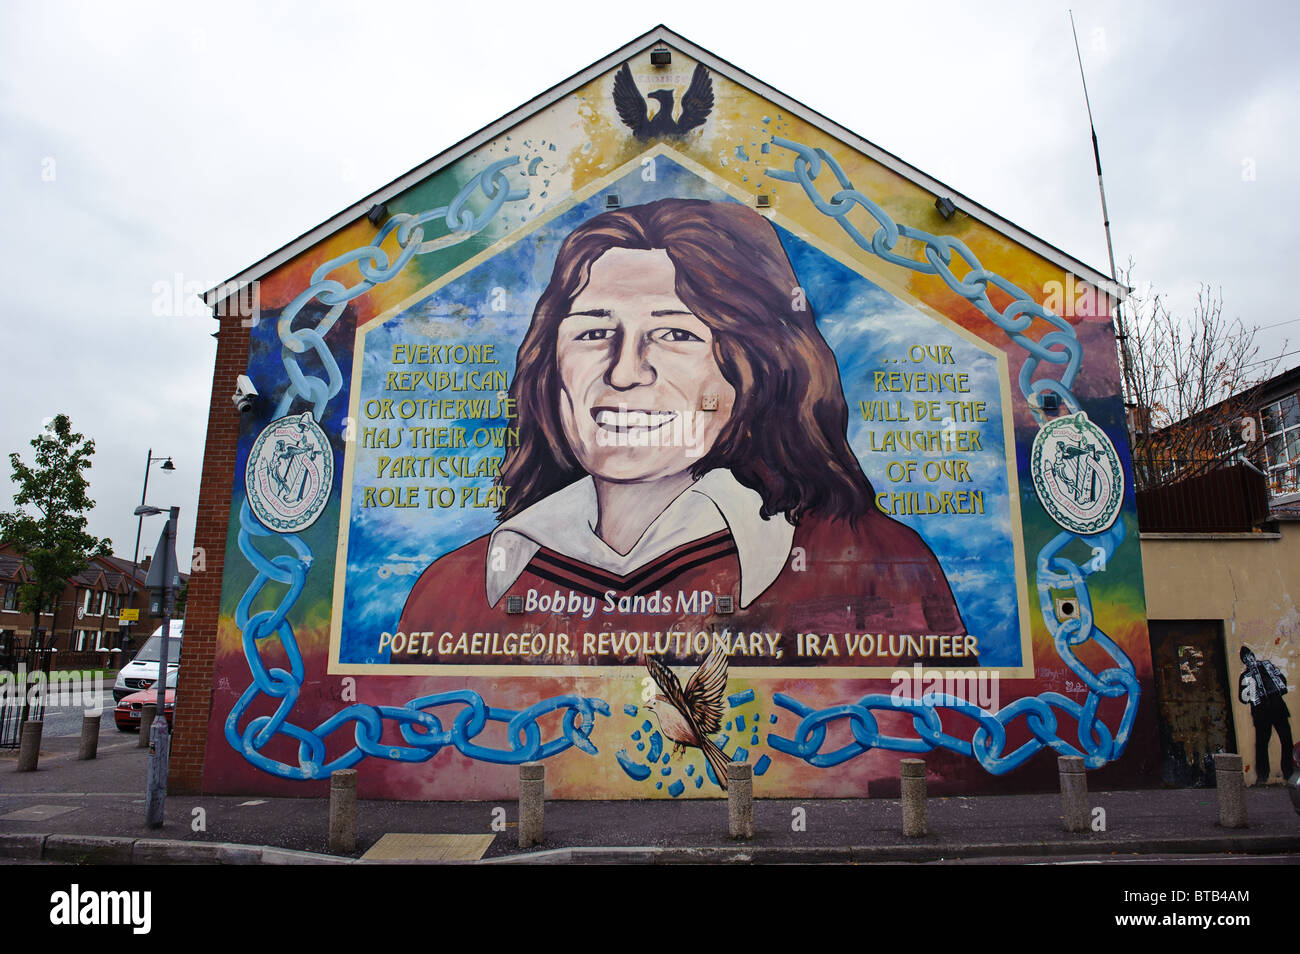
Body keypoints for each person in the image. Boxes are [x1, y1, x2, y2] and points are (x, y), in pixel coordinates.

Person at [397, 198, 965, 665]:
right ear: (551, 366)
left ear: (755, 366)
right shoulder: (457, 589)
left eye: (675, 335)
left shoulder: (874, 565)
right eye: (594, 334)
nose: (624, 372)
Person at [1238, 645, 1294, 784]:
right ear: (1244, 661)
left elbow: (1283, 683)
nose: (1249, 659)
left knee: (1286, 740)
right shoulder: (1246, 676)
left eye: (1250, 656)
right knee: (1262, 744)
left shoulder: (1267, 666)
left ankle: (1289, 772)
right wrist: (1249, 690)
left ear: (1253, 656)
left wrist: (1277, 674)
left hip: (1277, 706)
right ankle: (1263, 776)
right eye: (1246, 659)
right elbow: (1243, 698)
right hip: (1261, 711)